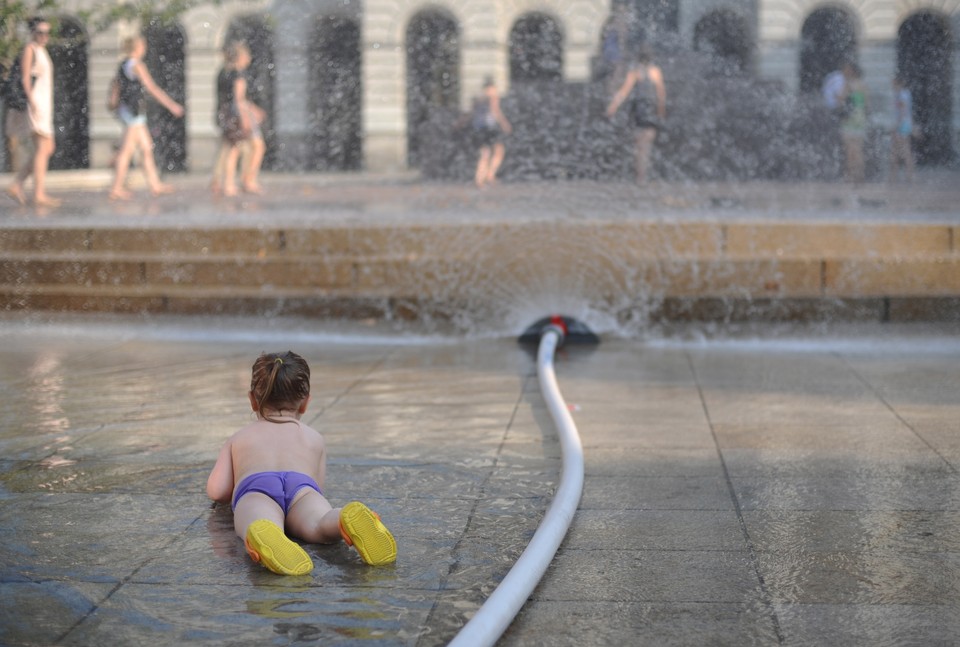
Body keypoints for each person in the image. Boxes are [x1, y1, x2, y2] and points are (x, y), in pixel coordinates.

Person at [206, 351, 397, 576]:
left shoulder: (240, 437)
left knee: (257, 517)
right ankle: (341, 520)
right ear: (305, 403)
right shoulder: (314, 437)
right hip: (301, 488)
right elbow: (318, 486)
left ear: (252, 400)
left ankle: (269, 534)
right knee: (317, 522)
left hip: (256, 488)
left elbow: (218, 491)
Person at [108, 36, 184, 201]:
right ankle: (116, 188)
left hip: (130, 111)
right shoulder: (137, 65)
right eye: (143, 45)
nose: (145, 48)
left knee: (146, 148)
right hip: (133, 113)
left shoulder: (123, 64)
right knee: (126, 151)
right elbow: (151, 88)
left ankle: (155, 184)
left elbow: (117, 86)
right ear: (137, 47)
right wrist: (172, 105)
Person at [5, 18, 60, 208]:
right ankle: (38, 193)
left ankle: (17, 184)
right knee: (42, 147)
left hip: (45, 103)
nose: (44, 36)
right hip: (36, 103)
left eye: (47, 32)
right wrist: (32, 101)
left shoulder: (41, 50)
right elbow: (25, 78)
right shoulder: (30, 49)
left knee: (47, 148)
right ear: (32, 32)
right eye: (40, 32)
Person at [605, 45, 666, 184]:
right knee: (646, 145)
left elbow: (624, 92)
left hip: (639, 110)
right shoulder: (656, 72)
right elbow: (661, 94)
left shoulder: (635, 72)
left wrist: (612, 107)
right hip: (650, 110)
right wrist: (661, 112)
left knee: (639, 146)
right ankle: (643, 175)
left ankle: (640, 176)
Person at [211, 41, 266, 197]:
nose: (249, 58)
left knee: (232, 149)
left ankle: (228, 184)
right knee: (257, 146)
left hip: (226, 113)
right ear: (241, 57)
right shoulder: (239, 74)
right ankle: (248, 181)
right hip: (238, 115)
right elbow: (239, 99)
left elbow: (227, 98)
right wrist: (247, 118)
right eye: (247, 55)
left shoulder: (224, 72)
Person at [471, 77, 512, 188]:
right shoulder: (493, 96)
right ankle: (489, 174)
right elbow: (495, 110)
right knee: (498, 151)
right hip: (489, 127)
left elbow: (472, 113)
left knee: (484, 153)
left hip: (478, 128)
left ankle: (479, 179)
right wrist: (504, 123)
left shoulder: (478, 98)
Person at [839, 62, 868, 183]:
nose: (843, 72)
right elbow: (867, 105)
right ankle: (860, 175)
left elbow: (841, 99)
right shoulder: (864, 85)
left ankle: (851, 176)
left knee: (850, 150)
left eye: (845, 69)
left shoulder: (848, 84)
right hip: (860, 118)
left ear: (851, 71)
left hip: (849, 119)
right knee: (858, 149)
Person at [889, 74, 915, 183]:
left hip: (902, 126)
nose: (892, 85)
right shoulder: (903, 94)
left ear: (897, 83)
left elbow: (903, 111)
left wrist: (897, 126)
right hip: (905, 124)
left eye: (893, 83)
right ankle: (900, 176)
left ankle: (906, 176)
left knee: (902, 151)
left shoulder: (901, 95)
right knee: (900, 151)